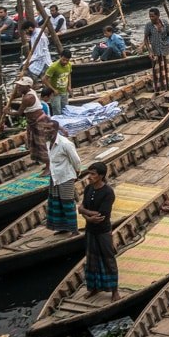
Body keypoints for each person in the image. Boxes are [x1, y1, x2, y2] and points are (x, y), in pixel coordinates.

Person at [81, 162, 118, 300]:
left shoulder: (108, 192)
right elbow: (82, 207)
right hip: (90, 230)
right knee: (91, 260)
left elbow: (101, 215)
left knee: (108, 260)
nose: (89, 177)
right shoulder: (88, 188)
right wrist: (87, 216)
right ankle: (93, 288)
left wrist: (84, 213)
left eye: (92, 174)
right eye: (89, 173)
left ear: (101, 176)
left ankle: (115, 291)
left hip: (103, 231)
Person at [45, 122, 83, 234]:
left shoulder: (65, 144)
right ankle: (63, 227)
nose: (45, 131)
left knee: (67, 203)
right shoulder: (48, 143)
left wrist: (76, 173)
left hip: (66, 177)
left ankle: (74, 230)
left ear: (56, 129)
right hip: (55, 176)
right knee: (56, 202)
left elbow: (76, 161)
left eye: (49, 128)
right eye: (45, 128)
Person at [139, 8, 169, 90]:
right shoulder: (148, 25)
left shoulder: (165, 22)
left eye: (153, 16)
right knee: (157, 72)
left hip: (165, 49)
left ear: (158, 16)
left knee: (166, 68)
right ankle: (158, 89)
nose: (151, 18)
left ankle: (167, 86)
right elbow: (146, 39)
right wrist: (150, 52)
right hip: (155, 51)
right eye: (150, 16)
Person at [41, 49, 73, 115]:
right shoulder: (54, 67)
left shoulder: (69, 65)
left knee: (66, 110)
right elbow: (44, 79)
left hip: (64, 91)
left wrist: (69, 86)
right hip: (55, 94)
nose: (65, 62)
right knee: (57, 112)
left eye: (67, 60)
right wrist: (53, 90)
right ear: (60, 57)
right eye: (63, 59)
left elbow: (69, 74)